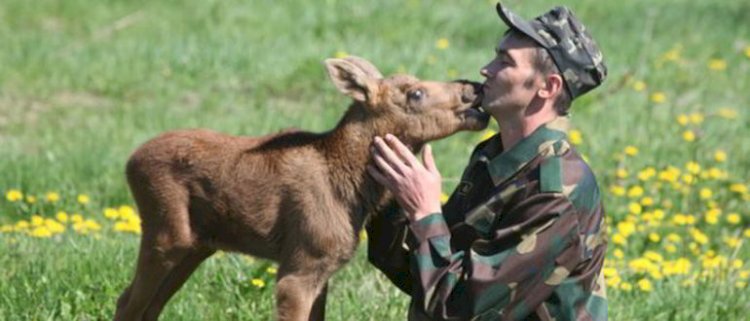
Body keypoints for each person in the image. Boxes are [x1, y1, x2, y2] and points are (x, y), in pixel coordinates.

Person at [366, 2, 609, 321]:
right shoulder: (493, 158)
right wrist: (391, 198)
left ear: (547, 87)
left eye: (504, 61)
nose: (486, 69)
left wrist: (425, 212)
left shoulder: (556, 192)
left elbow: (458, 309)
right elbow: (423, 279)